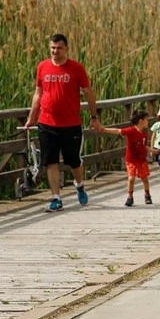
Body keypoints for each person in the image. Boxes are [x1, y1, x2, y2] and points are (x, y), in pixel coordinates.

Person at [25, 33, 103, 213]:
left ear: (66, 49)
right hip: (47, 122)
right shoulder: (42, 67)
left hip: (70, 124)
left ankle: (80, 184)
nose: (55, 51)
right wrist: (32, 116)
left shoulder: (76, 68)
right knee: (51, 161)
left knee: (73, 161)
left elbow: (88, 93)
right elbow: (38, 93)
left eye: (59, 48)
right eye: (52, 48)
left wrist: (94, 117)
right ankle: (56, 198)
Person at [97, 110, 157, 206]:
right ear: (141, 121)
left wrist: (152, 150)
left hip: (141, 159)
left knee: (144, 178)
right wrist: (105, 130)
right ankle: (130, 197)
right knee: (131, 178)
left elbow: (144, 146)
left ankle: (147, 195)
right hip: (131, 159)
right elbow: (118, 131)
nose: (148, 122)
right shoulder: (131, 131)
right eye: (146, 120)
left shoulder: (144, 134)